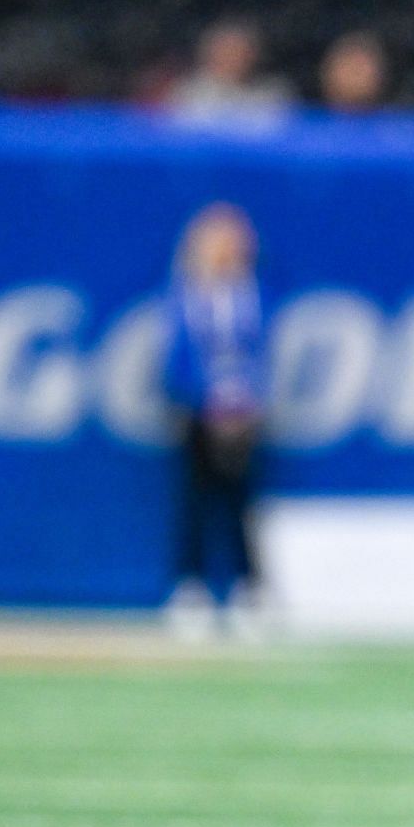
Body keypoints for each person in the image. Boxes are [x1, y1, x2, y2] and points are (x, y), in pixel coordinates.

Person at [162, 203, 269, 625]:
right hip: (199, 414)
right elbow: (178, 358)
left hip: (241, 414)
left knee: (242, 502)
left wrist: (247, 402)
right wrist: (202, 401)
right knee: (194, 499)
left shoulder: (249, 294)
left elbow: (259, 354)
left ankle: (249, 588)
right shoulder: (186, 294)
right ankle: (191, 586)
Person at [167, 18, 293, 126]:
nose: (232, 58)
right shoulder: (188, 93)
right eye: (225, 51)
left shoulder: (272, 94)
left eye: (239, 52)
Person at [319, 31, 388, 113]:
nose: (354, 75)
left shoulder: (396, 122)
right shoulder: (305, 118)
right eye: (347, 65)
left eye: (360, 67)